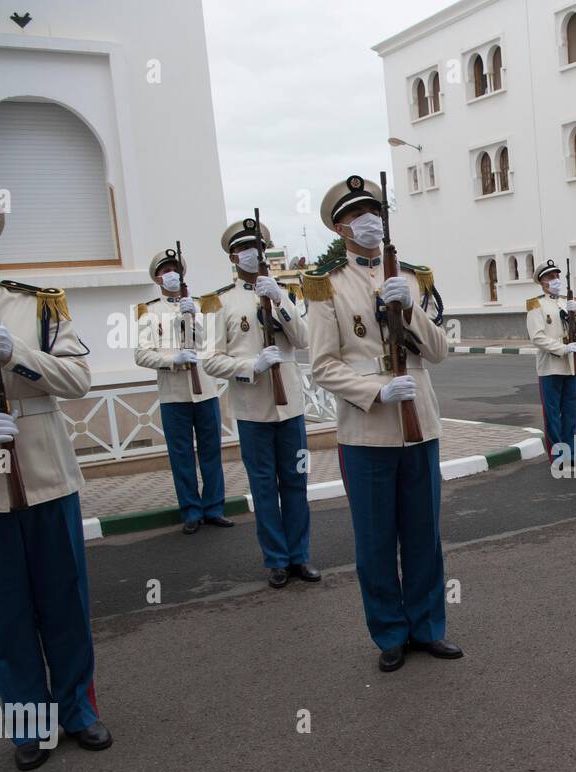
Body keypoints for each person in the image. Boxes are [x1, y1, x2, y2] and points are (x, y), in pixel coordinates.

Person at [0, 180, 111, 770]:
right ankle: (29, 722)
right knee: (3, 611)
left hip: (44, 472)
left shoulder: (39, 303)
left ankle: (78, 710)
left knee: (64, 598)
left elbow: (78, 378)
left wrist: (18, 355)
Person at [305, 174, 461, 673]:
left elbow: (438, 352)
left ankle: (427, 627)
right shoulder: (325, 283)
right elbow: (323, 365)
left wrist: (411, 307)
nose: (369, 221)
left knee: (423, 535)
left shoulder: (412, 276)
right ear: (339, 227)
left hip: (421, 424)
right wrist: (375, 390)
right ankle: (389, 632)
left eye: (375, 211)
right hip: (368, 431)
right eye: (357, 215)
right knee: (375, 540)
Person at [201, 216, 319, 589]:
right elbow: (210, 359)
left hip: (291, 408)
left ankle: (300, 555)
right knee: (264, 486)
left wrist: (280, 298)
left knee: (296, 481)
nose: (253, 254)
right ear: (234, 256)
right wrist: (250, 365)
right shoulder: (217, 302)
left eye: (258, 247)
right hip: (252, 408)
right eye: (245, 249)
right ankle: (276, 559)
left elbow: (301, 338)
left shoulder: (286, 291)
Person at [136, 249, 232, 534]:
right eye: (165, 269)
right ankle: (191, 511)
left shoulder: (203, 305)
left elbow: (212, 346)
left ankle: (214, 507)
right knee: (181, 455)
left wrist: (195, 319)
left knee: (211, 451)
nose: (171, 274)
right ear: (157, 277)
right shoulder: (149, 312)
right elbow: (141, 355)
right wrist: (171, 360)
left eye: (175, 268)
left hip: (205, 392)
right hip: (174, 394)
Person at [526, 259, 576, 467]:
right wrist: (562, 348)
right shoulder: (536, 304)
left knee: (570, 412)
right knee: (553, 414)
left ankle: (571, 452)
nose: (555, 280)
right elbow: (537, 337)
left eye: (557, 276)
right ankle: (557, 455)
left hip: (571, 365)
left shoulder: (568, 301)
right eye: (550, 277)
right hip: (550, 366)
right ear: (542, 282)